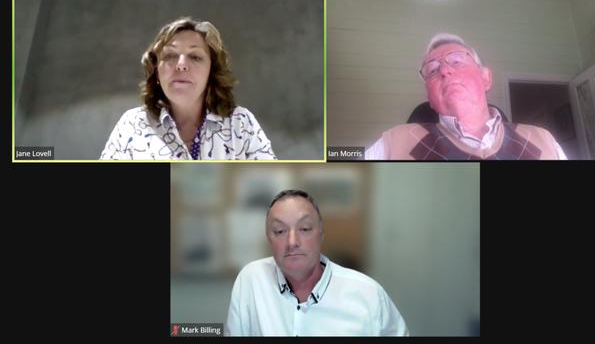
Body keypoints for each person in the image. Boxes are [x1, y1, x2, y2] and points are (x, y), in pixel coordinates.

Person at [225, 189, 409, 336]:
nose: (292, 242)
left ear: (321, 234)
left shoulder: (368, 294)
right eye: (280, 231)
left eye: (304, 228)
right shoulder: (252, 279)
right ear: (268, 239)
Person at [365, 33, 567, 160]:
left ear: (486, 78)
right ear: (429, 95)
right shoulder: (394, 144)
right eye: (433, 70)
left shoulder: (543, 141)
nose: (444, 71)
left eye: (457, 61)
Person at [100, 17, 276, 160]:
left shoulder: (241, 123)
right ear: (156, 71)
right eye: (170, 55)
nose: (181, 65)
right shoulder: (131, 125)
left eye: (195, 57)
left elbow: (273, 195)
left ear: (211, 72)